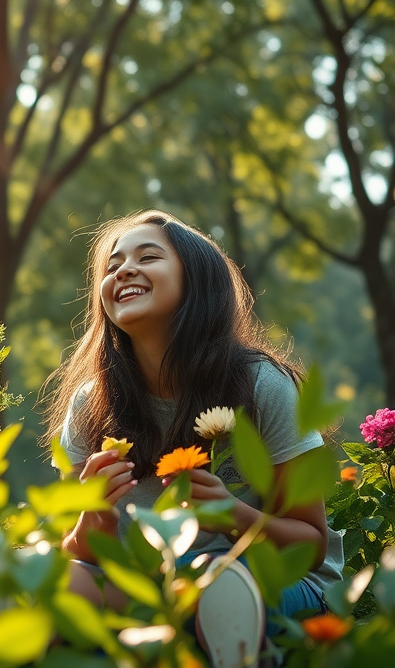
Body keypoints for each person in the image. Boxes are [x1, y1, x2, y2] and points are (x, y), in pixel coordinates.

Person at [41, 210, 343, 668]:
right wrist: (92, 522)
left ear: (197, 280)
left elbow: (311, 545)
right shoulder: (91, 404)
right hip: (155, 587)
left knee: (215, 581)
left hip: (269, 581)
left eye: (148, 256)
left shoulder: (261, 386)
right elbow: (78, 551)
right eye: (112, 265)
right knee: (52, 585)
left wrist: (234, 515)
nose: (123, 270)